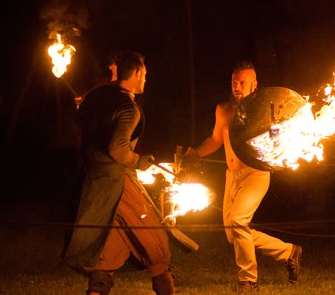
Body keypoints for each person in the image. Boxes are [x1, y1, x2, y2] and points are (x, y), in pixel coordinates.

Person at [183, 61, 302, 293]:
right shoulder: (224, 109)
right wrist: (195, 153)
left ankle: (248, 281)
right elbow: (216, 139)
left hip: (256, 174)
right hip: (232, 176)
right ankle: (289, 252)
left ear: (254, 85)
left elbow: (278, 141)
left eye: (242, 82)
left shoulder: (264, 111)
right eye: (234, 81)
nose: (237, 86)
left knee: (238, 222)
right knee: (233, 234)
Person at [63, 51, 175, 295]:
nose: (146, 79)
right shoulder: (129, 108)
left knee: (108, 245)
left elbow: (80, 120)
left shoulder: (98, 96)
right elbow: (118, 148)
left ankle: (97, 290)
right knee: (155, 241)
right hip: (117, 181)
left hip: (93, 179)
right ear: (136, 73)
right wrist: (139, 160)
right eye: (144, 74)